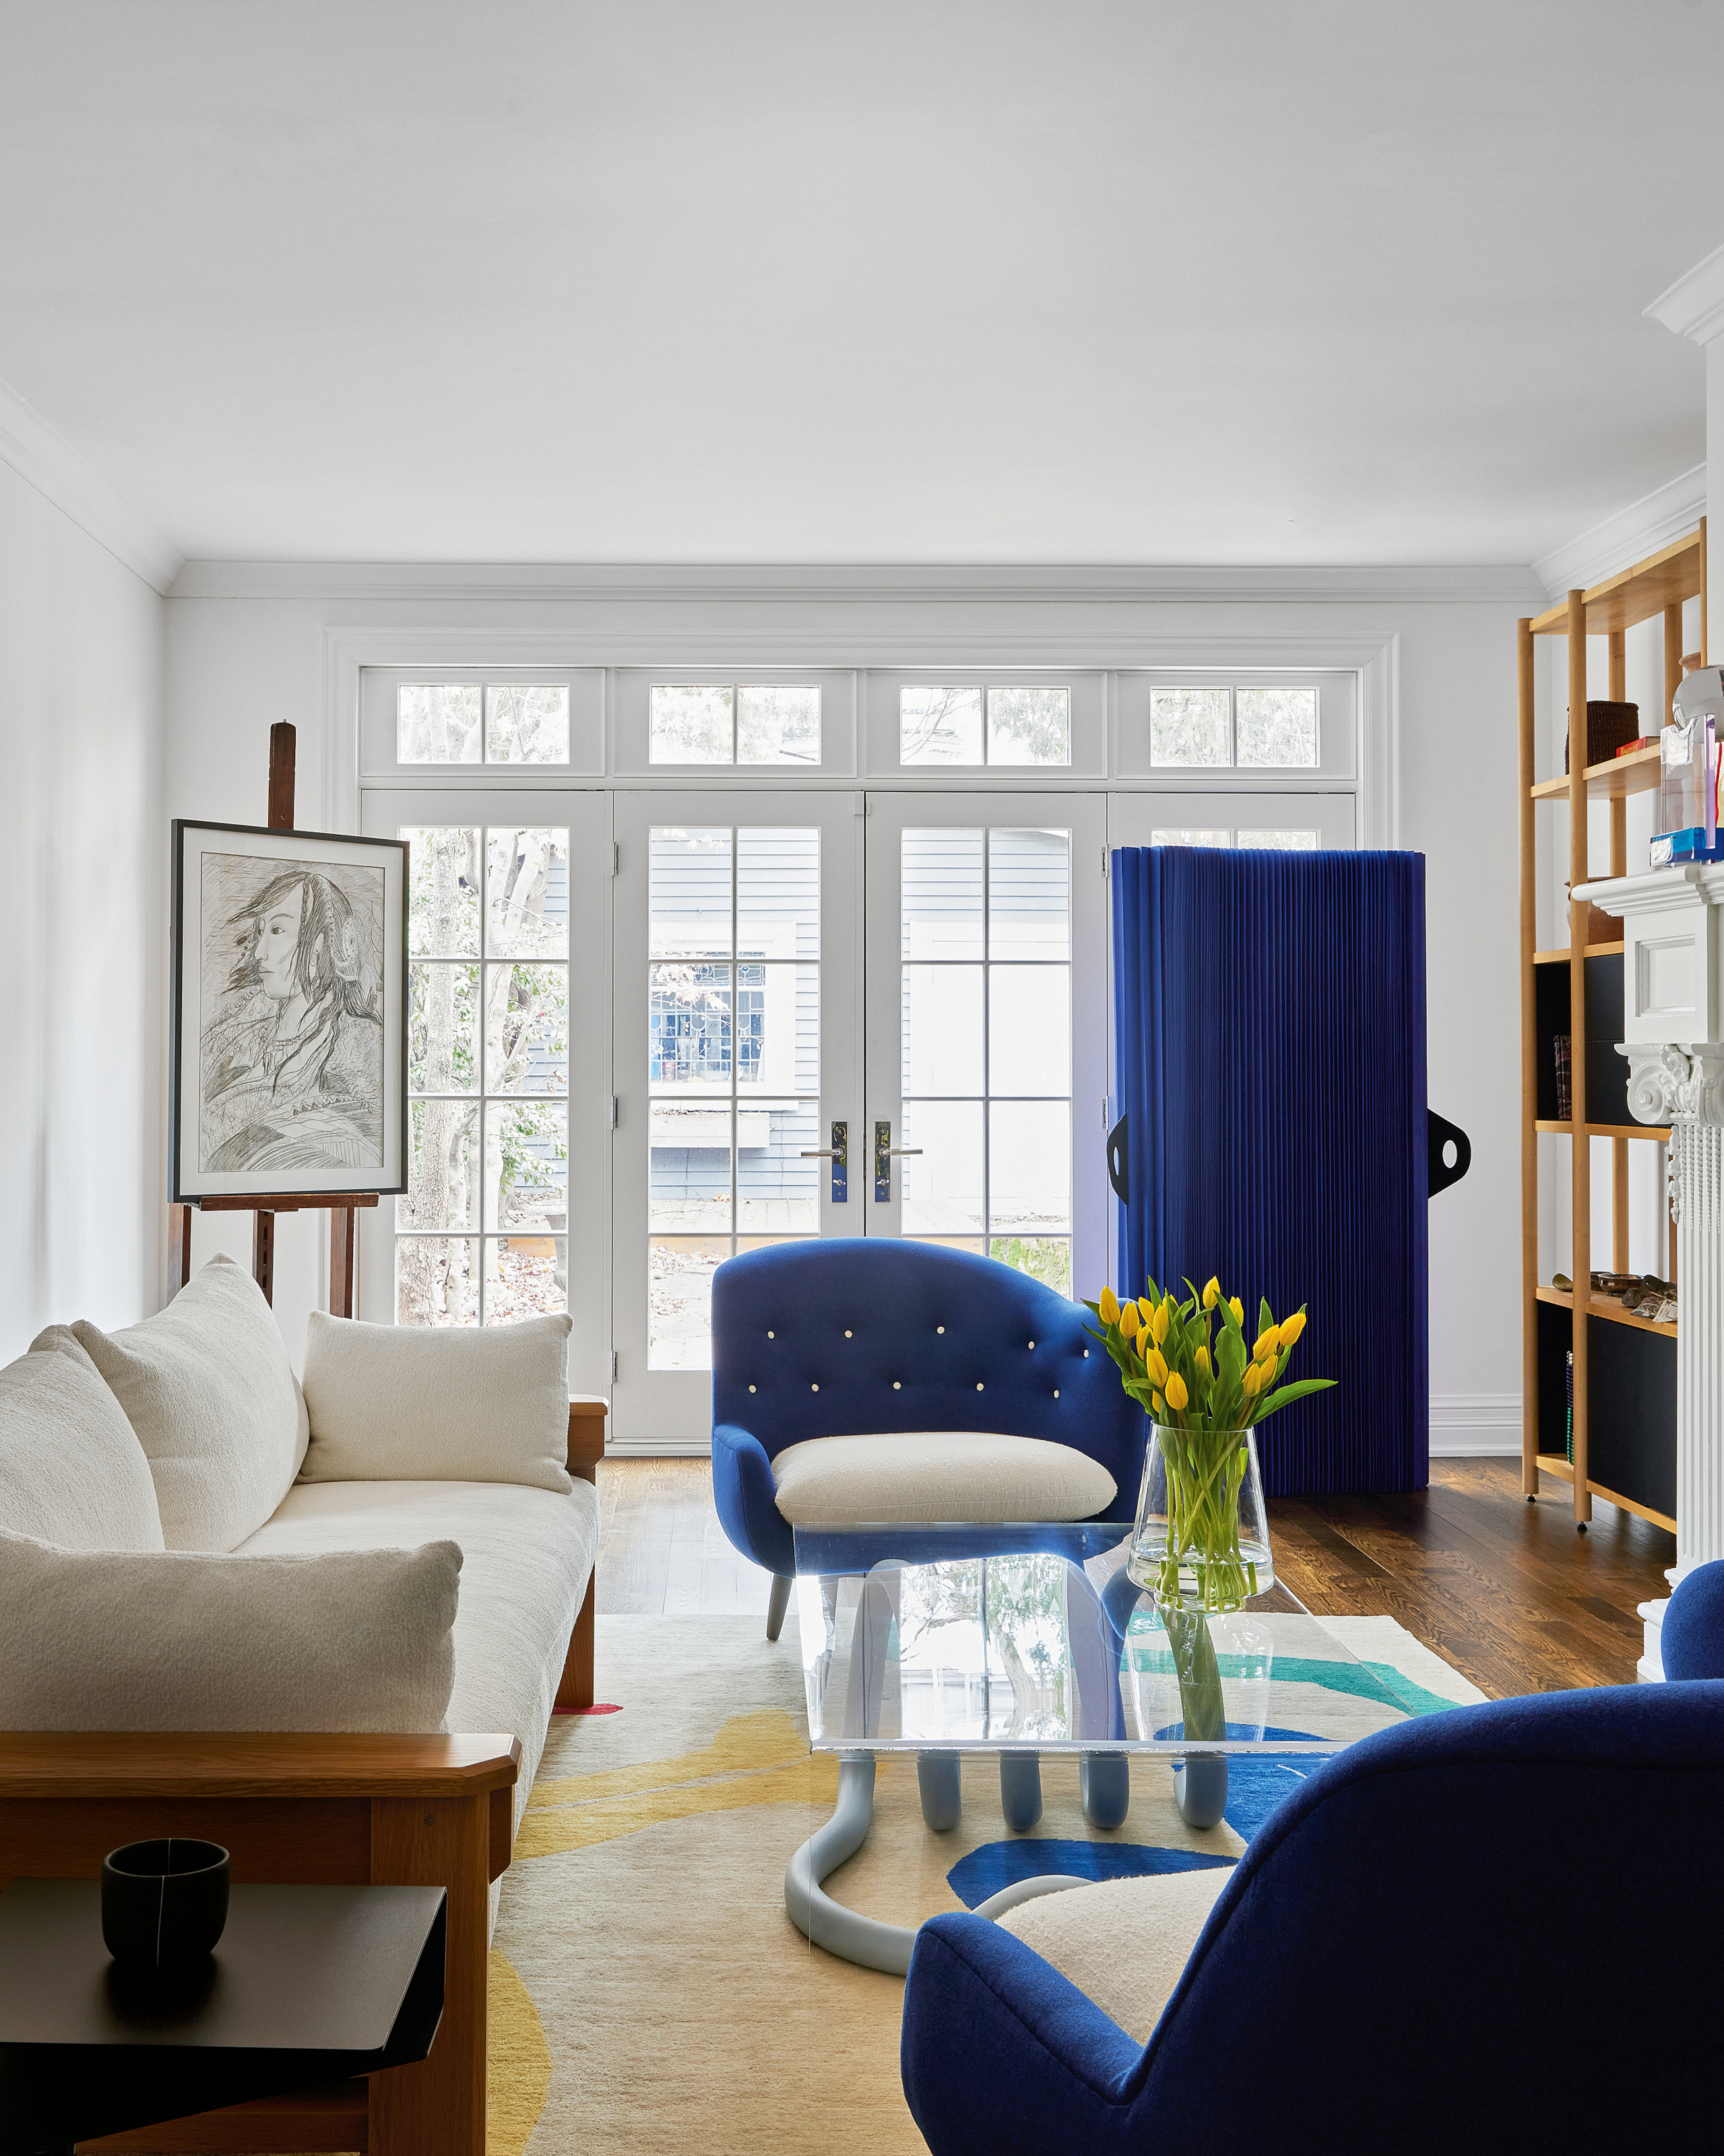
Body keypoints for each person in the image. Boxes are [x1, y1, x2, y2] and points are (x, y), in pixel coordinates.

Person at [200, 866, 385, 1175]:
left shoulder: (360, 1044)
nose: (259, 952)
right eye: (260, 932)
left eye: (277, 931)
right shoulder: (233, 1039)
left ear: (321, 945)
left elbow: (367, 1150)